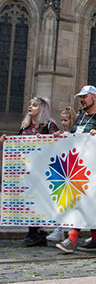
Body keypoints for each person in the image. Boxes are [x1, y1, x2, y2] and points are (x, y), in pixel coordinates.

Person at [55, 86, 96, 253]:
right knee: (87, 204)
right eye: (80, 97)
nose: (82, 100)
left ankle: (72, 238)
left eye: (85, 96)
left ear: (95, 98)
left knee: (84, 203)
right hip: (77, 168)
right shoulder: (81, 118)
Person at [1, 97, 59, 246]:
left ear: (43, 109)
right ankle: (32, 232)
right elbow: (18, 142)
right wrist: (7, 140)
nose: (30, 107)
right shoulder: (25, 126)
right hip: (26, 170)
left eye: (35, 105)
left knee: (39, 201)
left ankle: (39, 232)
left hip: (43, 171)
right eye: (30, 104)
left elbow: (58, 142)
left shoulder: (48, 125)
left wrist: (46, 139)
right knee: (29, 200)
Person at [46, 107, 78, 243]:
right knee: (61, 200)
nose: (63, 123)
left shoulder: (76, 132)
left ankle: (71, 229)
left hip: (74, 171)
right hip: (63, 171)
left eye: (66, 120)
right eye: (62, 120)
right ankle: (59, 229)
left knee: (72, 203)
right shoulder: (61, 134)